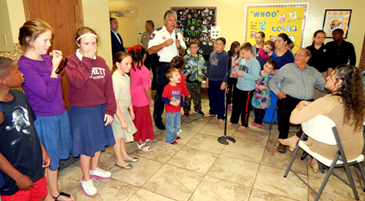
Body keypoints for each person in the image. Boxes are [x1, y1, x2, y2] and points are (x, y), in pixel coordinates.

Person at [17, 19, 75, 201]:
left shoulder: (44, 58)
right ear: (29, 40)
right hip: (44, 119)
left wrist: (56, 65)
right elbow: (47, 94)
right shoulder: (24, 65)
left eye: (50, 40)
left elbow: (56, 89)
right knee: (47, 159)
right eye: (45, 40)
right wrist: (55, 69)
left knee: (55, 157)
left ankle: (55, 192)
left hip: (59, 113)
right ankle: (48, 195)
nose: (49, 45)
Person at [280, 64, 364, 173]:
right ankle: (314, 161)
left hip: (332, 153)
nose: (327, 77)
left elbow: (293, 119)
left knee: (312, 120)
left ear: (339, 82)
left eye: (332, 76)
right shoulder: (355, 104)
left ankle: (299, 145)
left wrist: (299, 105)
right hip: (354, 152)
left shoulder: (326, 102)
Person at [65, 27, 116, 197]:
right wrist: (86, 60)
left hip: (100, 108)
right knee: (87, 146)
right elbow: (78, 82)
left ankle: (94, 169)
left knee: (99, 142)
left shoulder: (101, 61)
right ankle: (85, 178)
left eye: (93, 43)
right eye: (86, 43)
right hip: (82, 111)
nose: (90, 47)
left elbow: (108, 88)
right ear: (78, 43)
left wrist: (110, 109)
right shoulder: (70, 61)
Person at [0, 57, 50, 201]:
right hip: (12, 176)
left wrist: (42, 150)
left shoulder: (20, 96)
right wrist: (18, 177)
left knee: (39, 196)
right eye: (16, 72)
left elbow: (30, 127)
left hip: (34, 166)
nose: (22, 74)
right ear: (3, 80)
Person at [269, 48, 326, 153]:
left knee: (319, 115)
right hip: (288, 98)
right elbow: (273, 82)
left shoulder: (313, 71)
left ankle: (305, 139)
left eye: (300, 55)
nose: (296, 56)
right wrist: (278, 92)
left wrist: (336, 88)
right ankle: (283, 140)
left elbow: (324, 85)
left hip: (307, 100)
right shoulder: (287, 68)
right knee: (284, 111)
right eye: (296, 54)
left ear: (307, 58)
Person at [148, 10, 186, 130]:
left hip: (175, 67)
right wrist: (163, 44)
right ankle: (158, 119)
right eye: (170, 20)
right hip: (163, 67)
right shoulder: (158, 33)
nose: (173, 23)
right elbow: (150, 50)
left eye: (175, 20)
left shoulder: (178, 34)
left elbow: (183, 52)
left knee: (175, 93)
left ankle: (174, 117)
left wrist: (179, 47)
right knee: (161, 93)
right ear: (165, 21)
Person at [111, 52, 139, 169]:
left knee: (122, 135)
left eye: (130, 64)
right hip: (117, 112)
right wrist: (122, 120)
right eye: (126, 64)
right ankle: (119, 159)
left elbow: (128, 95)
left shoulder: (126, 77)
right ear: (117, 64)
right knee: (118, 137)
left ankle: (124, 155)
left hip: (124, 110)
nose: (129, 66)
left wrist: (131, 110)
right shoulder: (115, 80)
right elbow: (115, 103)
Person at [229, 42, 260, 129]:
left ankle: (244, 123)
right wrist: (236, 74)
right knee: (235, 104)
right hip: (239, 86)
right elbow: (241, 72)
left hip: (248, 89)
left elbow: (255, 77)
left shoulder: (255, 63)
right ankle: (233, 119)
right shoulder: (243, 60)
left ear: (249, 52)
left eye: (243, 53)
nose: (241, 55)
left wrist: (242, 74)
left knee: (245, 107)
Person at [129, 45, 154, 152]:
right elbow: (147, 89)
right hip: (141, 99)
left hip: (132, 97)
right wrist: (151, 99)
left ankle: (137, 136)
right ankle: (141, 142)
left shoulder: (131, 67)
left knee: (135, 119)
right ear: (144, 56)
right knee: (142, 120)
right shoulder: (145, 71)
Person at [205, 37, 229, 123]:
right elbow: (209, 67)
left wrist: (224, 81)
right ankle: (212, 111)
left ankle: (220, 116)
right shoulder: (212, 54)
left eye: (220, 44)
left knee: (219, 99)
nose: (217, 45)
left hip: (220, 81)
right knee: (212, 97)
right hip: (211, 80)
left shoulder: (225, 55)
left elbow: (227, 69)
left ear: (224, 46)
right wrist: (207, 78)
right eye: (216, 43)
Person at [306, 30, 334, 100]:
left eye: (322, 37)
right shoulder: (308, 49)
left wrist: (328, 76)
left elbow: (330, 64)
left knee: (322, 95)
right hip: (310, 74)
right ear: (314, 38)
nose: (320, 39)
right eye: (318, 37)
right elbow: (304, 63)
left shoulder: (328, 49)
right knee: (310, 93)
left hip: (323, 74)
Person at [183, 39, 206, 116]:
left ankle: (197, 109)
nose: (193, 48)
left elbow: (204, 67)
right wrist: (187, 76)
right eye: (192, 47)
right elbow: (183, 69)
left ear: (198, 48)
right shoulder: (186, 57)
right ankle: (186, 110)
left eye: (195, 47)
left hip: (198, 81)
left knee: (197, 96)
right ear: (189, 48)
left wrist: (202, 76)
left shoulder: (201, 58)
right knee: (188, 97)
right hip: (189, 82)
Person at [251, 59, 277, 128]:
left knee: (262, 109)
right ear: (263, 65)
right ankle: (255, 119)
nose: (267, 69)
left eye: (269, 68)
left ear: (272, 70)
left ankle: (260, 121)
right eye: (266, 66)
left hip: (264, 96)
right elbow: (253, 80)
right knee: (256, 108)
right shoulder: (258, 73)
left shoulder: (271, 77)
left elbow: (271, 86)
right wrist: (255, 85)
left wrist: (264, 87)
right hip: (256, 94)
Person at [162, 68, 184, 144]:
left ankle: (174, 136)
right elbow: (163, 98)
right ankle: (169, 139)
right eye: (176, 75)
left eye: (179, 74)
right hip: (170, 111)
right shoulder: (167, 87)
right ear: (171, 79)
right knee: (170, 126)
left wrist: (181, 108)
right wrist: (171, 102)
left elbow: (181, 97)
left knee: (177, 124)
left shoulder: (179, 86)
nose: (179, 76)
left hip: (178, 110)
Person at [227, 41, 242, 111]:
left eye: (238, 47)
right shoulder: (228, 54)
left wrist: (237, 64)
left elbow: (243, 64)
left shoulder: (240, 55)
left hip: (237, 76)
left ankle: (234, 105)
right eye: (236, 47)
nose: (237, 49)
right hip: (229, 76)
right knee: (228, 91)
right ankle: (228, 104)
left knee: (236, 91)